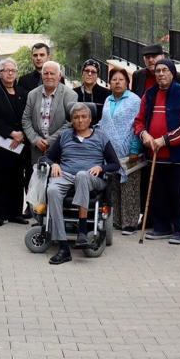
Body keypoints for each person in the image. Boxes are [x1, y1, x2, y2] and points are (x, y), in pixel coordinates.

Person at [41, 103, 122, 265]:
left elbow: (115, 164)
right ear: (71, 120)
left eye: (84, 117)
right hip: (66, 175)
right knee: (52, 191)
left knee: (82, 175)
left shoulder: (101, 136)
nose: (80, 120)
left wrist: (101, 167)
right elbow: (46, 158)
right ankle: (63, 247)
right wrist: (54, 164)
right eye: (76, 117)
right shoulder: (64, 135)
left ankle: (82, 230)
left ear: (90, 119)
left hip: (92, 178)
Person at [133, 59, 180, 244]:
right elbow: (139, 121)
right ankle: (161, 227)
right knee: (158, 193)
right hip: (155, 155)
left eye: (164, 70)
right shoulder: (149, 94)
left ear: (172, 73)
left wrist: (164, 140)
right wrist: (144, 134)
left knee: (178, 193)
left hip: (178, 156)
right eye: (158, 71)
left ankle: (179, 230)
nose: (161, 74)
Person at [97, 67, 142, 234]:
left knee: (130, 188)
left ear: (127, 83)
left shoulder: (134, 100)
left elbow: (137, 125)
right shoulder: (108, 100)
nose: (117, 82)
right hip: (111, 152)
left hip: (129, 151)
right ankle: (116, 221)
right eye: (114, 79)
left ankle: (129, 223)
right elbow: (104, 123)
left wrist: (134, 149)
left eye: (121, 79)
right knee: (114, 186)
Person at [0, 58, 29, 225]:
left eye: (13, 70)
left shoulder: (23, 92)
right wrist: (12, 133)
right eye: (6, 70)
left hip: (20, 144)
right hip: (2, 143)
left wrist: (22, 135)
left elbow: (28, 117)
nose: (10, 73)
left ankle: (15, 213)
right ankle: (0, 215)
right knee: (1, 180)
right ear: (0, 73)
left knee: (18, 179)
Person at [22, 61, 78, 167]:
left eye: (52, 73)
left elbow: (71, 122)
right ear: (41, 75)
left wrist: (49, 141)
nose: (49, 76)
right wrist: (36, 140)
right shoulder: (32, 94)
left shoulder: (70, 95)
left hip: (59, 149)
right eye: (45, 73)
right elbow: (26, 119)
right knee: (37, 182)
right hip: (37, 149)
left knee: (57, 181)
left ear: (59, 75)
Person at [74, 58, 109, 124]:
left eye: (93, 72)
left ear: (97, 75)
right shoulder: (74, 93)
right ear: (82, 73)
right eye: (87, 71)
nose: (89, 74)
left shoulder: (106, 94)